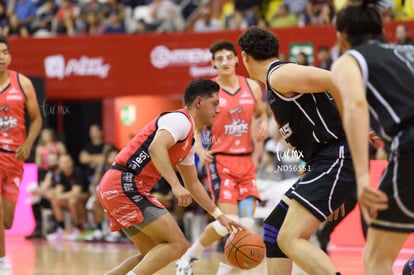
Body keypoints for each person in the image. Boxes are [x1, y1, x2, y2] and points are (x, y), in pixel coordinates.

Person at [237, 26, 356, 274]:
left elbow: (337, 80)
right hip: (323, 164)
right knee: (274, 228)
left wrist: (355, 128)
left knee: (289, 238)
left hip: (337, 156)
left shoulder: (279, 75)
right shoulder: (275, 83)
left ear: (244, 56)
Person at [97, 78, 243, 275]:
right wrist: (175, 185)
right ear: (199, 102)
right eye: (215, 104)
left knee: (151, 254)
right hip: (124, 183)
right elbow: (156, 147)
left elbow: (193, 184)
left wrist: (219, 215)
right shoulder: (180, 120)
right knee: (178, 244)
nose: (218, 110)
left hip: (115, 186)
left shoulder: (189, 140)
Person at [330, 1, 414, 274]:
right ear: (382, 31)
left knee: (377, 259)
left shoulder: (350, 60)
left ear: (342, 36)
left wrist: (363, 177)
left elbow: (354, 107)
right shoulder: (410, 50)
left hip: (410, 143)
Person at [176, 40, 268, 275]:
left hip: (246, 161)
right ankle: (190, 256)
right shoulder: (208, 92)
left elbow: (260, 113)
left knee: (246, 226)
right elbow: (191, 122)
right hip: (220, 161)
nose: (225, 61)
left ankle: (204, 263)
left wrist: (264, 123)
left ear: (237, 59)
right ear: (213, 63)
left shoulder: (252, 87)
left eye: (229, 57)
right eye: (220, 59)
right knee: (230, 223)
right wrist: (197, 147)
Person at [0, 35, 42, 273]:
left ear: (10, 56)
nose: (0, 57)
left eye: (4, 52)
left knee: (7, 221)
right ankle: (3, 264)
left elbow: (36, 118)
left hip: (15, 157)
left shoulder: (22, 82)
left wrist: (28, 144)